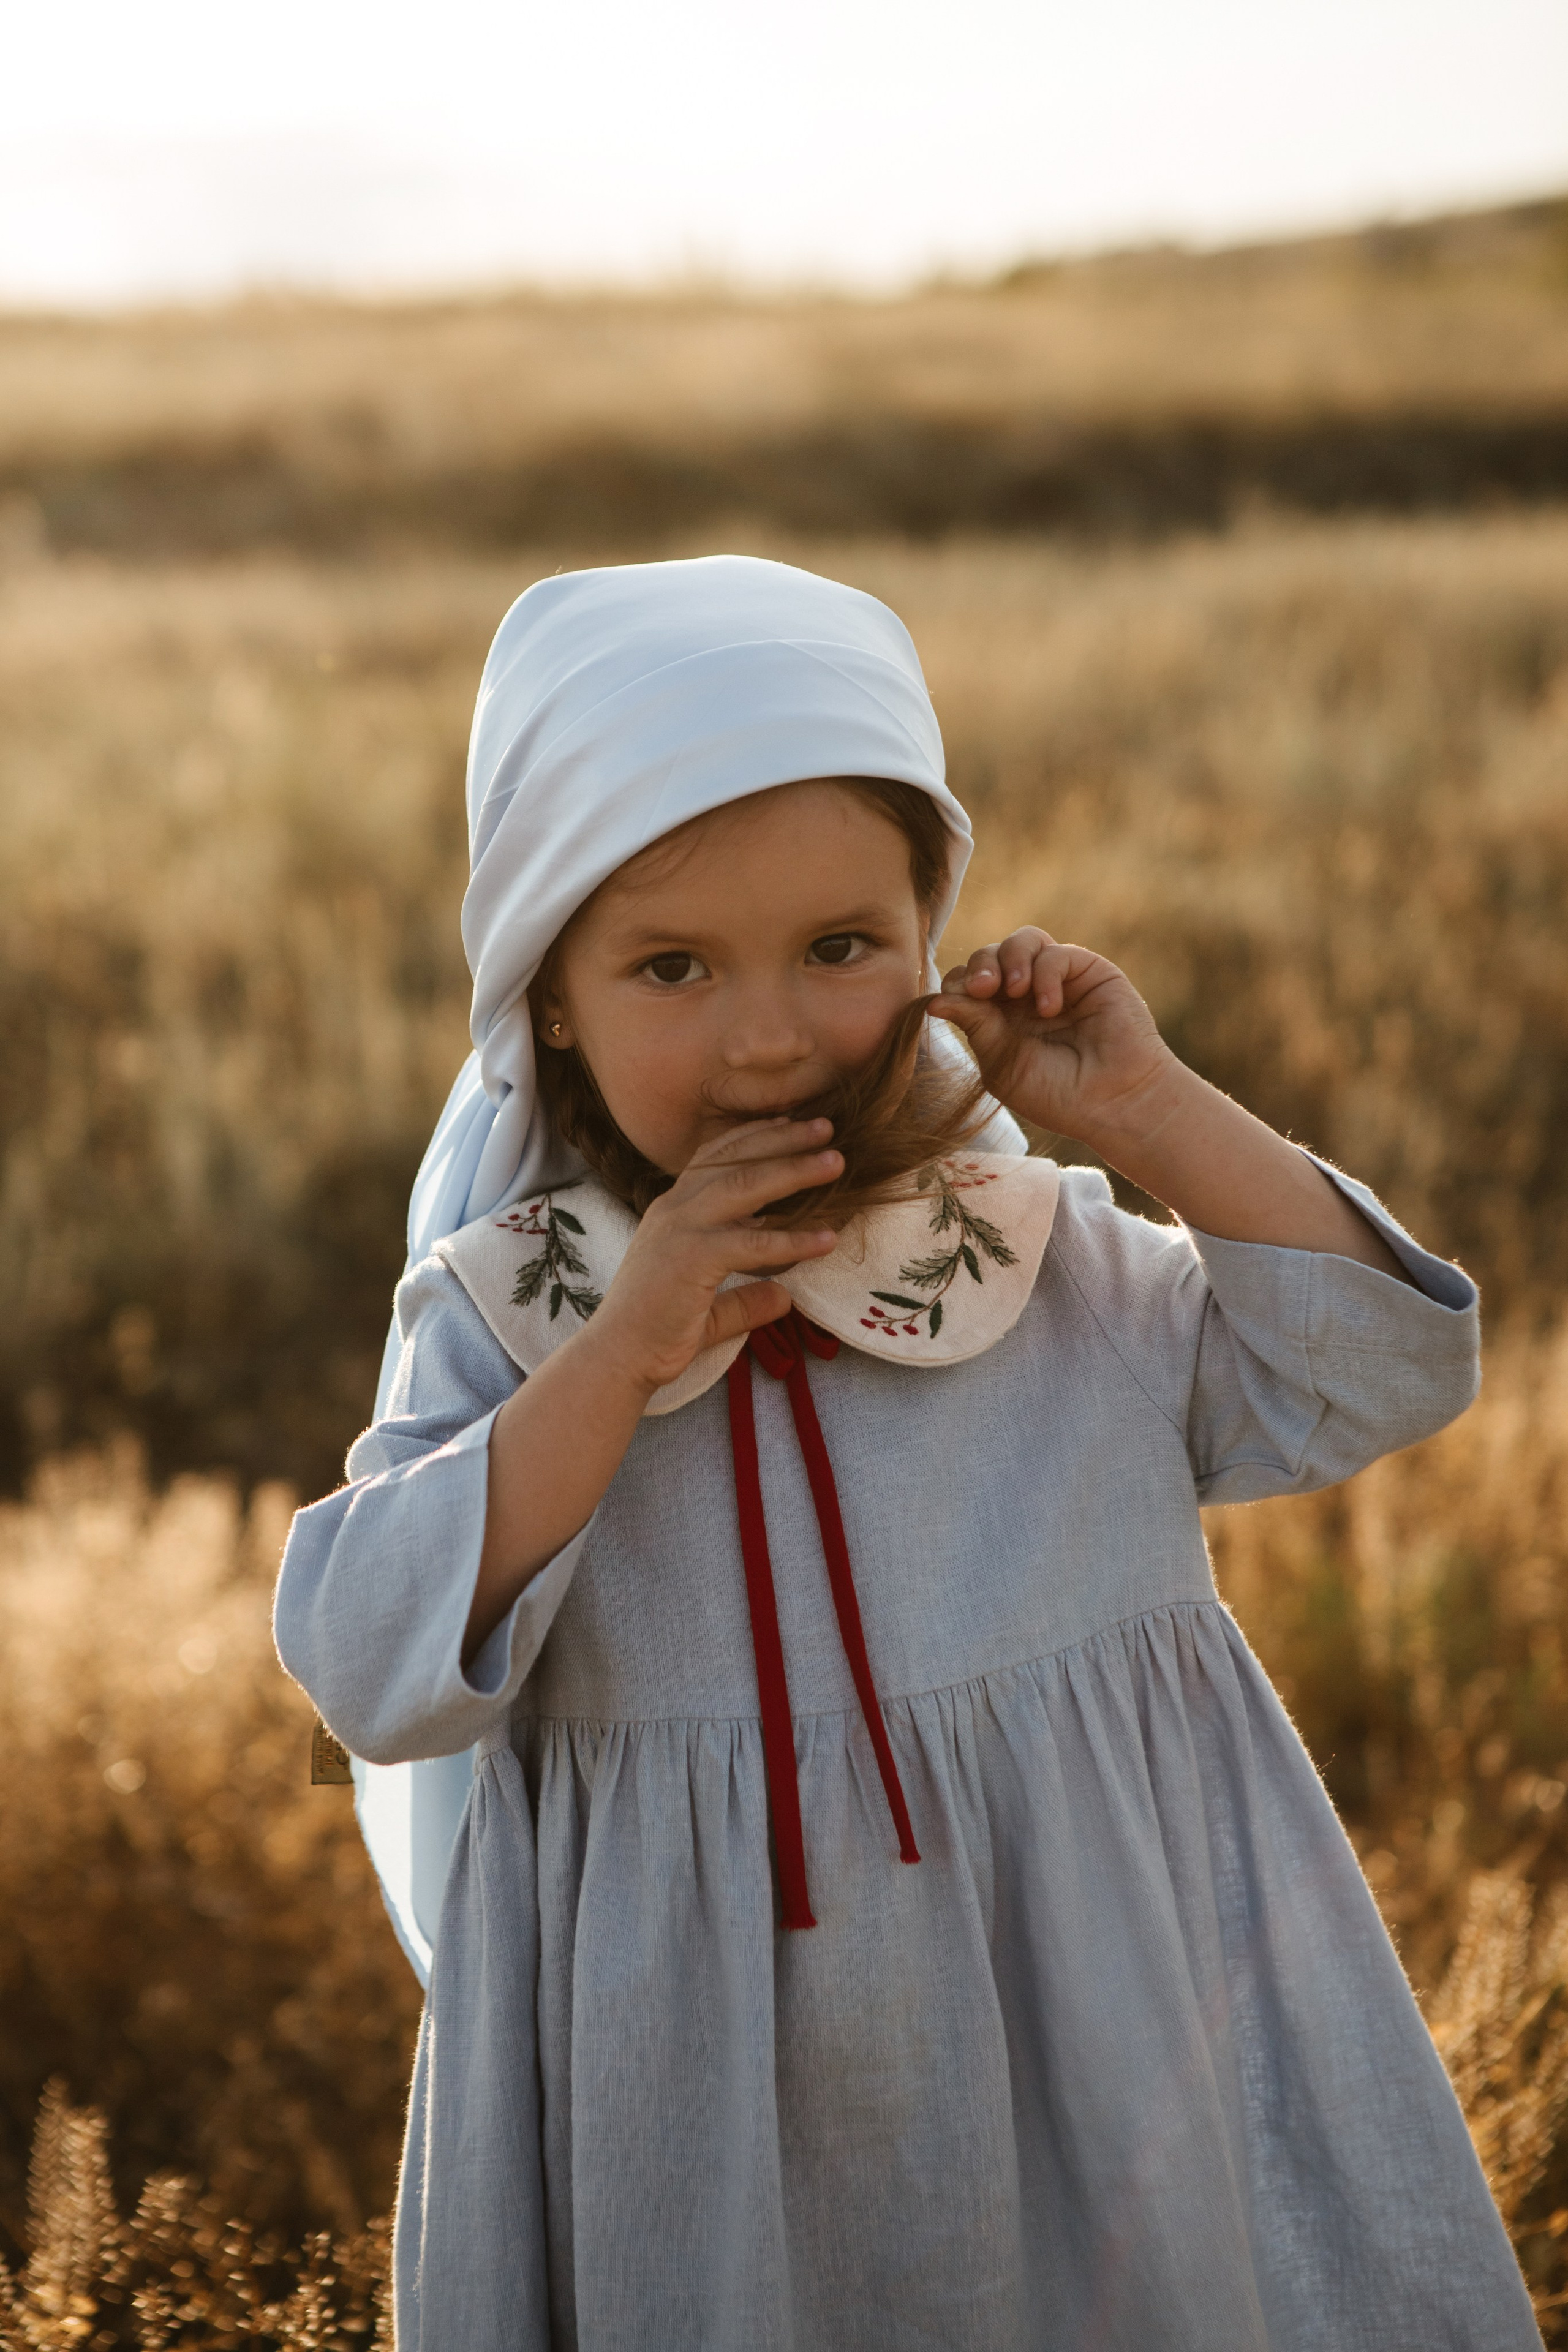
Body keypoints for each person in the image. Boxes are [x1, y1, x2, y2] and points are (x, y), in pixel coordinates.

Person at [274, 555, 1539, 2351]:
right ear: (546, 993)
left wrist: (1142, 1109)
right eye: (672, 966)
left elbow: (1378, 1368)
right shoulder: (514, 1310)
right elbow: (365, 1658)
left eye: (843, 949)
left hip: (1105, 2046)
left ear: (929, 945)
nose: (771, 1030)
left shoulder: (1036, 1248)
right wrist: (625, 1355)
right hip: (702, 2109)